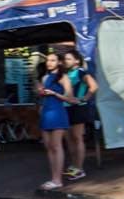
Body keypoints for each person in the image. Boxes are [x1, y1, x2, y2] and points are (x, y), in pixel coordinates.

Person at [35, 52, 76, 191]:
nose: (49, 63)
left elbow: (70, 98)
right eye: (48, 60)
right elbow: (39, 95)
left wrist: (54, 94)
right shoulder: (44, 77)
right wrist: (40, 91)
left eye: (53, 60)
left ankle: (58, 180)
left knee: (56, 146)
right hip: (45, 113)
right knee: (48, 147)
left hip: (58, 112)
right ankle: (54, 178)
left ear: (59, 62)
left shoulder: (63, 77)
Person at [62, 49, 98, 181]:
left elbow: (93, 86)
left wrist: (83, 99)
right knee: (69, 139)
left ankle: (80, 168)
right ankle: (73, 165)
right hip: (65, 109)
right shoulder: (66, 73)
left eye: (69, 59)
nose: (66, 61)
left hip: (78, 109)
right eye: (65, 59)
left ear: (77, 60)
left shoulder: (81, 71)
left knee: (77, 138)